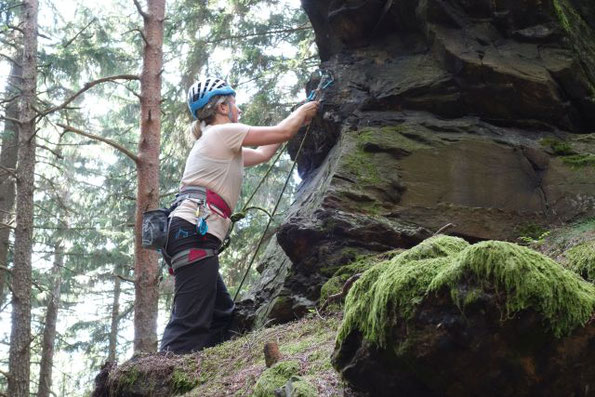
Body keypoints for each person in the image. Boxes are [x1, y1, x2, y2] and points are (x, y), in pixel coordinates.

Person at [160, 77, 319, 354]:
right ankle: (160, 375)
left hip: (192, 233)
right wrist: (302, 112)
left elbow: (264, 152)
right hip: (193, 233)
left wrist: (299, 119)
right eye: (235, 103)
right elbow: (281, 133)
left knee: (221, 314)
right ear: (222, 107)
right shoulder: (221, 134)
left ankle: (202, 374)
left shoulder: (221, 142)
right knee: (190, 323)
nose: (239, 110)